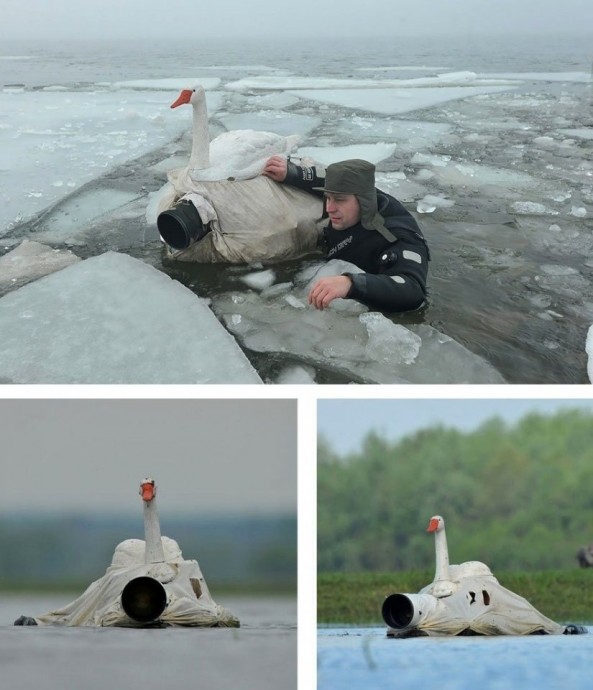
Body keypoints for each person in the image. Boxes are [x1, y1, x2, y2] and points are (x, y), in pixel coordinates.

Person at [263, 156, 429, 312]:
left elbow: (412, 290)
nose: (330, 208)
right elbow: (324, 178)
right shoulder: (353, 193)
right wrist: (292, 173)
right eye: (328, 198)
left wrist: (352, 284)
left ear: (365, 201)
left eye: (340, 200)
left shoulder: (395, 235)